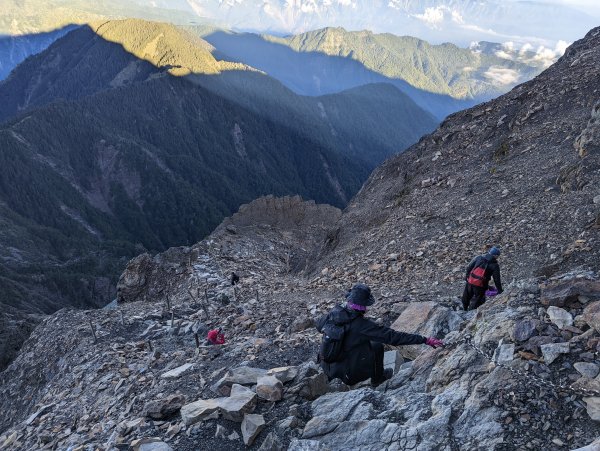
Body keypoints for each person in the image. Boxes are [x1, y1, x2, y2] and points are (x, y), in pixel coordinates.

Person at [316, 284, 444, 386]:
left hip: (327, 368)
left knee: (356, 344)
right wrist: (425, 340)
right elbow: (393, 337)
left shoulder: (334, 313)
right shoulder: (362, 325)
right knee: (377, 345)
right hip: (347, 376)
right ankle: (378, 379)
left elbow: (318, 326)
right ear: (363, 306)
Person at [461, 246, 503, 311]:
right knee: (478, 301)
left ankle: (464, 309)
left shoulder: (479, 258)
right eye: (498, 256)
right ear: (496, 256)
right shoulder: (495, 265)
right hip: (480, 286)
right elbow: (496, 279)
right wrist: (500, 290)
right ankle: (470, 314)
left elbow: (469, 268)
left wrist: (467, 276)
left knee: (466, 297)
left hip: (470, 281)